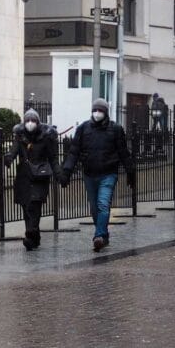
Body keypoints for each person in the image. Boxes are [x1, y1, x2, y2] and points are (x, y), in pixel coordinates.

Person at [59, 98, 135, 252]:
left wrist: (130, 172)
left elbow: (123, 153)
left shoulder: (115, 129)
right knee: (94, 208)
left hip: (108, 174)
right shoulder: (83, 129)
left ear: (106, 112)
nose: (97, 113)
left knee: (103, 204)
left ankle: (99, 235)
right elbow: (73, 152)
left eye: (100, 110)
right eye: (95, 110)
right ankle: (104, 234)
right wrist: (66, 171)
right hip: (89, 174)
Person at [4, 108, 61, 250]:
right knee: (26, 205)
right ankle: (34, 236)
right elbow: (14, 150)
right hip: (24, 176)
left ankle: (30, 233)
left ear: (38, 122)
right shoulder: (20, 136)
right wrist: (9, 158)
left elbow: (53, 158)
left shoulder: (46, 137)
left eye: (33, 120)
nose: (30, 123)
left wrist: (59, 174)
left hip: (40, 175)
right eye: (27, 120)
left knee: (35, 205)